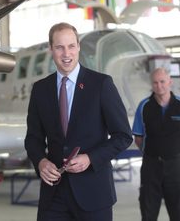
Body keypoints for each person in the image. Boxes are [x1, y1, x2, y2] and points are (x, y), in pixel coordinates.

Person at [24, 22, 133, 221]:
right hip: (53, 195)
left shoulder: (101, 84)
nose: (66, 53)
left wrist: (90, 158)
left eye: (71, 46)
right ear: (51, 49)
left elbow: (123, 136)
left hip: (93, 193)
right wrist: (40, 161)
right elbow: (33, 138)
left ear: (78, 47)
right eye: (59, 47)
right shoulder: (40, 89)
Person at [132, 67, 180, 221]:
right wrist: (154, 151)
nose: (159, 86)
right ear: (152, 84)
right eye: (155, 83)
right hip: (151, 167)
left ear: (170, 82)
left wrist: (172, 149)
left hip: (175, 166)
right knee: (148, 213)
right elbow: (138, 137)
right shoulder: (144, 106)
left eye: (163, 81)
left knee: (179, 214)